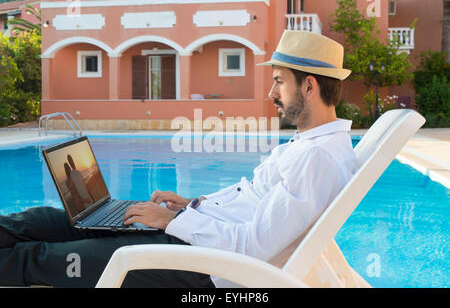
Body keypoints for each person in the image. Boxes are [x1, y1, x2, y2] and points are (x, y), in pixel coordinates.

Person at [0, 30, 356, 288]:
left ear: (309, 86)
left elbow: (252, 248)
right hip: (194, 234)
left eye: (279, 82)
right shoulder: (310, 144)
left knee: (41, 257)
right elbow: (250, 201)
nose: (271, 93)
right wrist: (190, 205)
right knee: (43, 219)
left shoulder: (317, 158)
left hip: (199, 262)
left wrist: (171, 223)